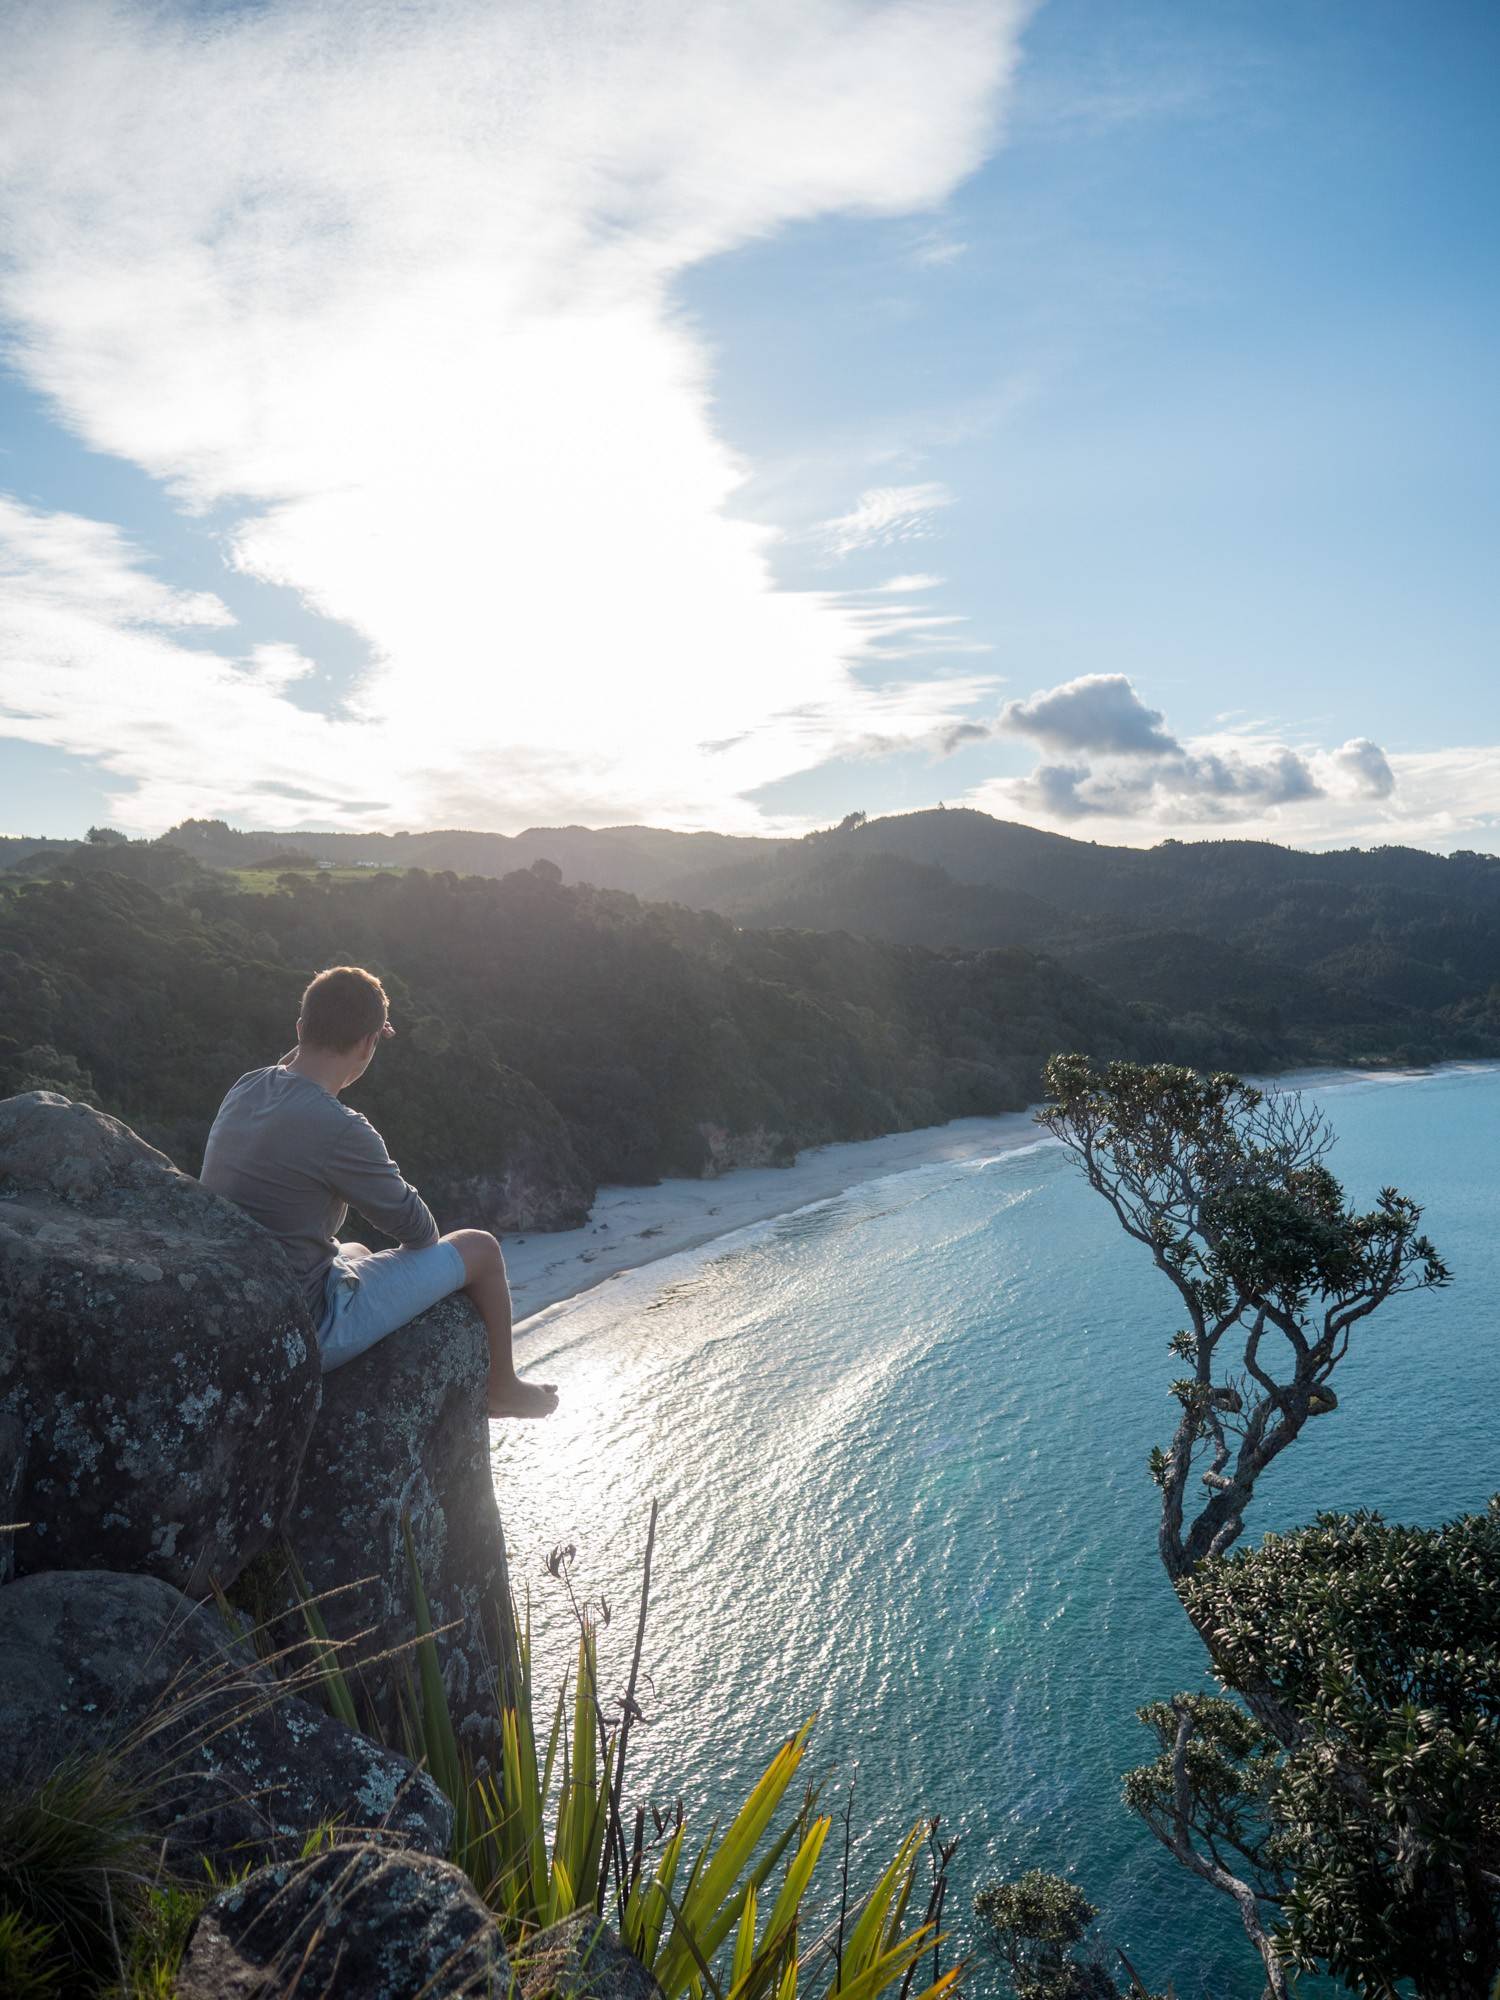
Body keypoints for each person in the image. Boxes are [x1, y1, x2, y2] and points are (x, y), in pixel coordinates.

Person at [201, 964, 557, 1418]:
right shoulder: (341, 1129)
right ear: (370, 1043)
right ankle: (502, 1387)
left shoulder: (248, 1086)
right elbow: (420, 1231)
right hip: (304, 1325)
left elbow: (297, 1061)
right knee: (481, 1249)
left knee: (354, 1247)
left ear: (299, 1029)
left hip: (241, 1304)